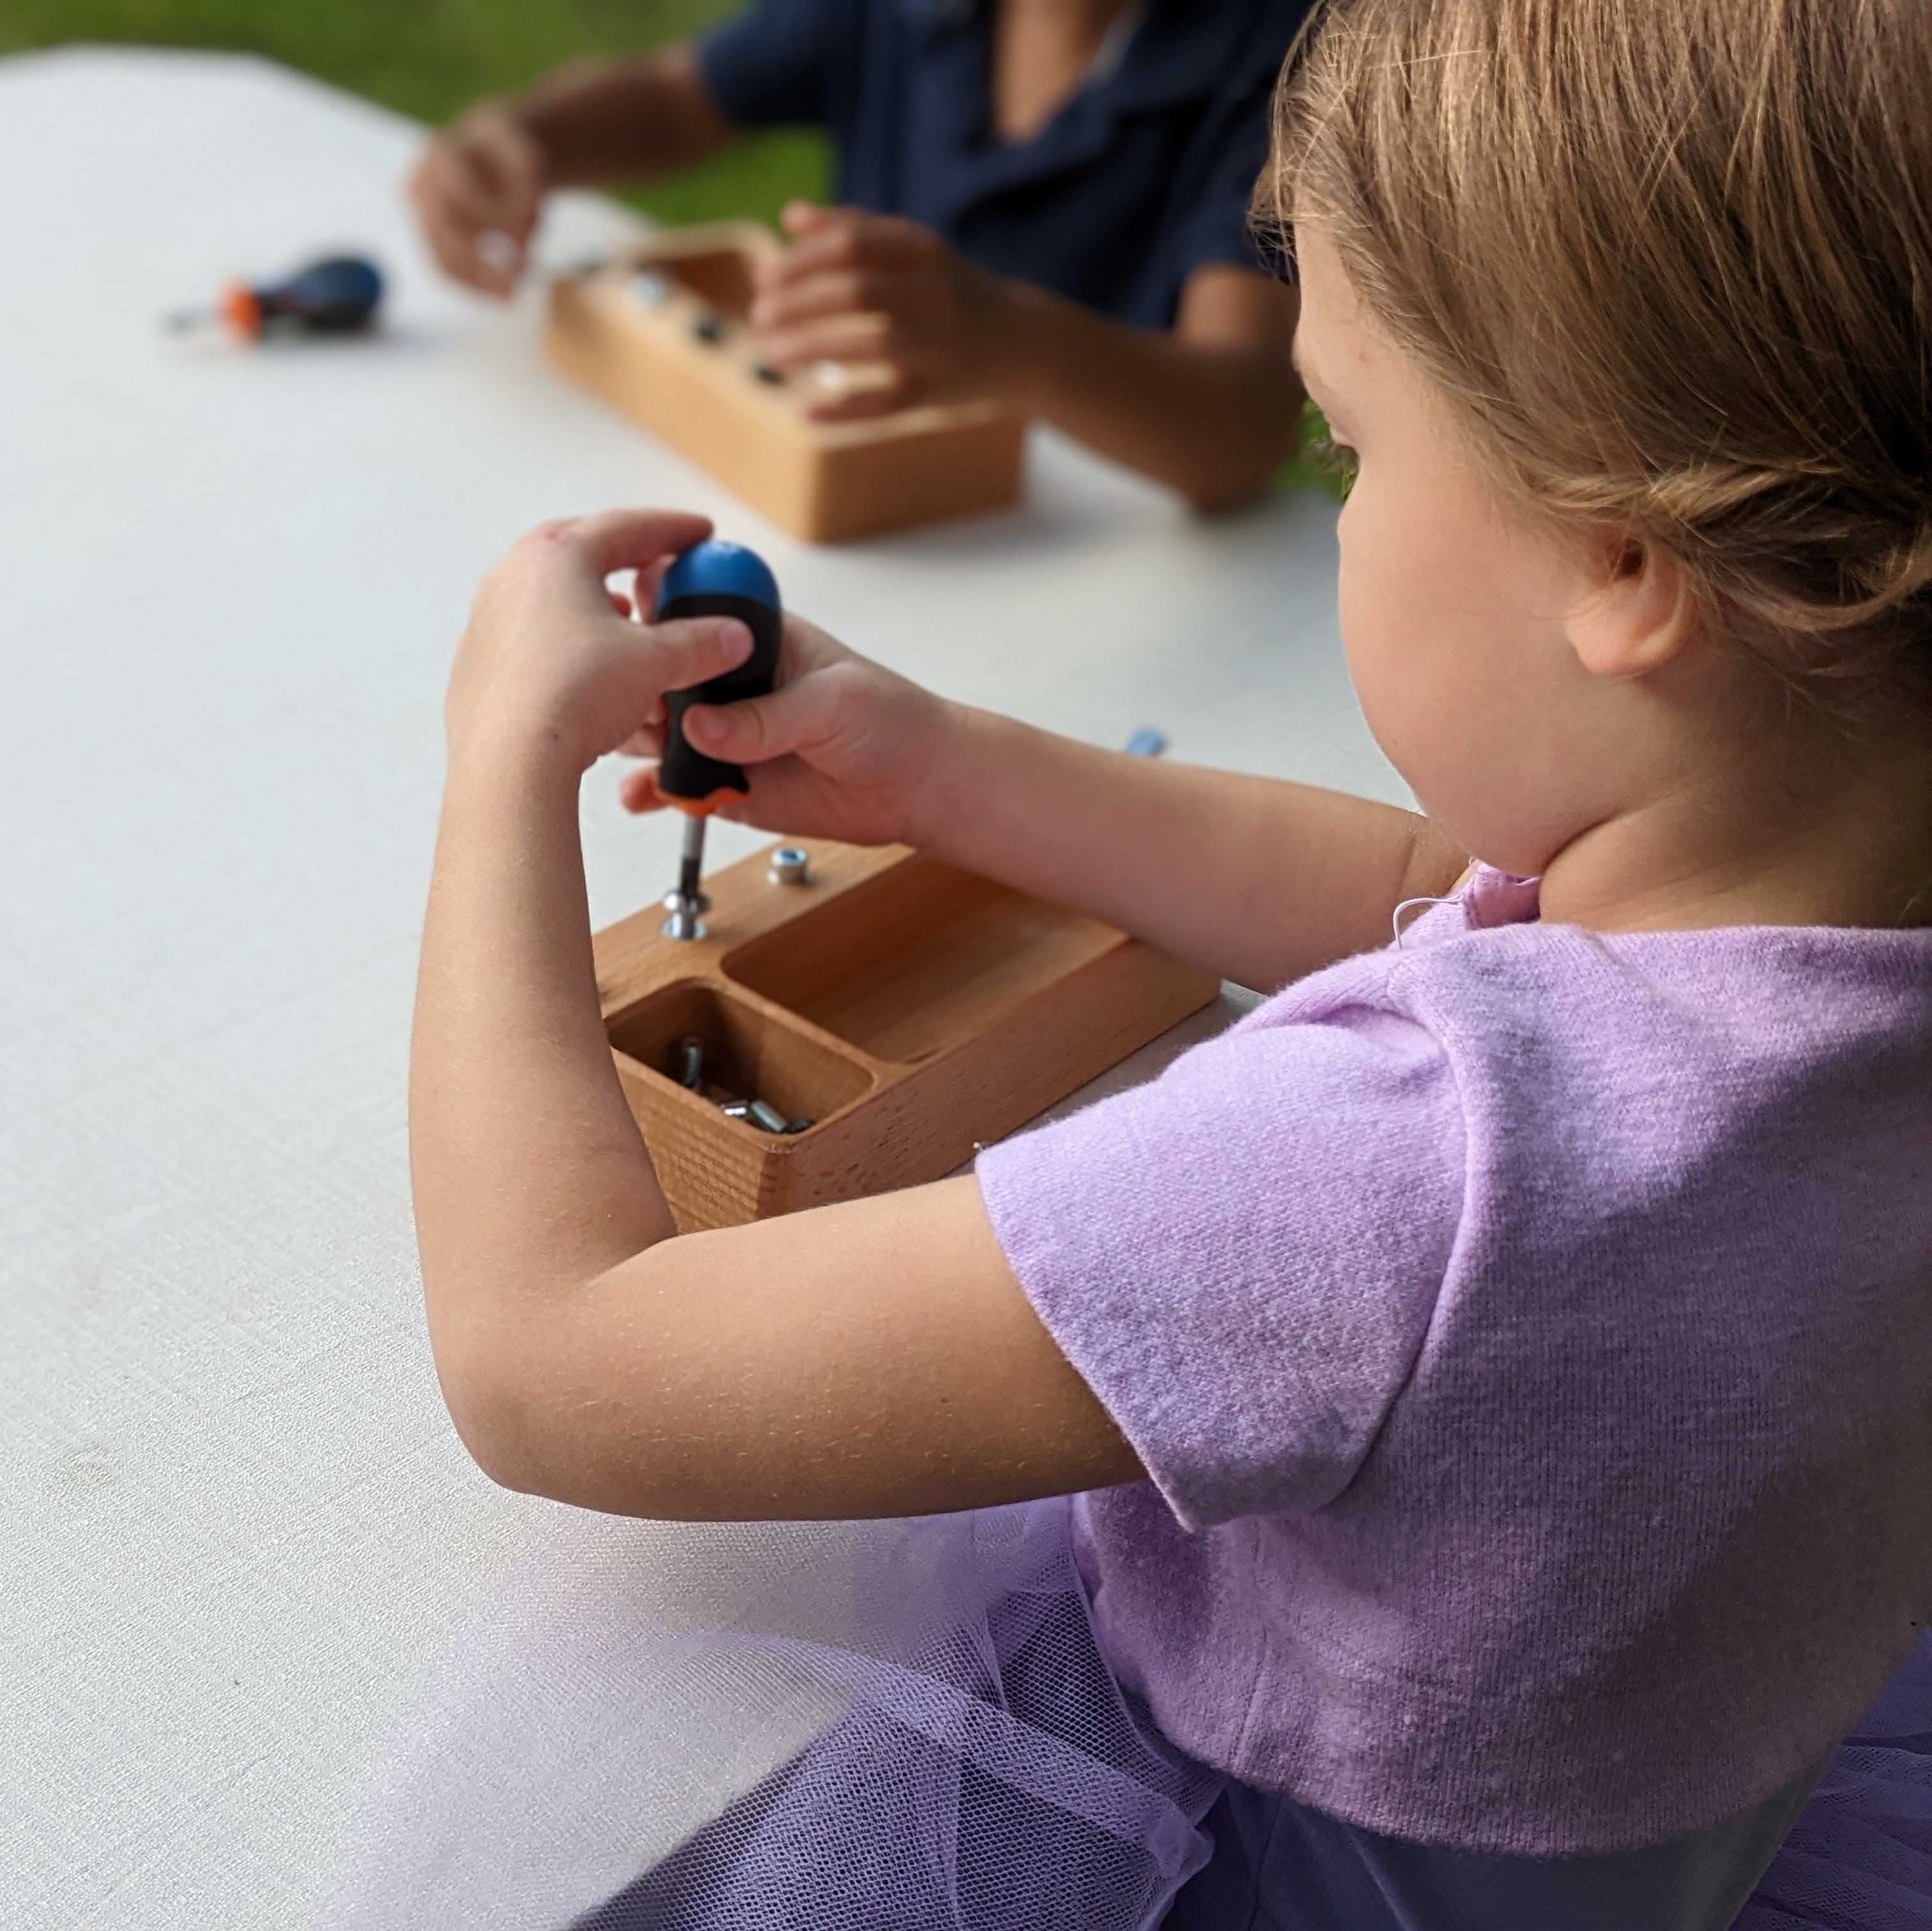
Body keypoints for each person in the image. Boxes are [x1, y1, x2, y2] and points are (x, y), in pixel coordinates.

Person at [402, 0, 1932, 1922]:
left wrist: (497, 771)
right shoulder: (1826, 920)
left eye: (1346, 444)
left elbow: (559, 1363)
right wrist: (947, 766)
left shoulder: (1392, 1175)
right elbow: (1418, 879)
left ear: (1625, 566)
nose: (1339, 487)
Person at [407, 0, 1309, 509]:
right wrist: (522, 136)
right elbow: (682, 99)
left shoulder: (1281, 54)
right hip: (846, 515)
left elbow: (1242, 421)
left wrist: (1006, 341)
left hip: (1105, 552)